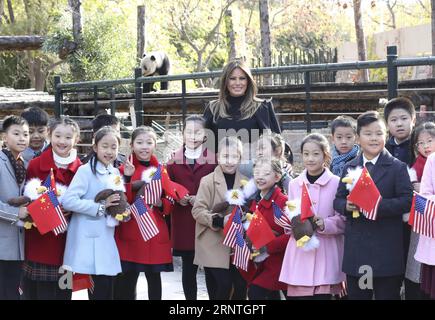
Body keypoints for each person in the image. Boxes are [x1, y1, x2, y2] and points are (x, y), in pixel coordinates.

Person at [334, 111, 413, 300]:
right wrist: (347, 205)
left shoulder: (397, 167)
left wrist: (376, 206)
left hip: (387, 251)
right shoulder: (349, 167)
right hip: (358, 250)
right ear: (358, 138)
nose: (374, 138)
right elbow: (338, 200)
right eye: (368, 134)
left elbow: (407, 201)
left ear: (386, 135)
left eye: (379, 133)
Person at [61, 126, 125, 300]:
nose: (109, 151)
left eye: (114, 147)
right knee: (96, 288)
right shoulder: (85, 171)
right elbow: (68, 201)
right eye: (105, 146)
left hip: (106, 235)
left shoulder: (115, 172)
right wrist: (99, 207)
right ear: (95, 147)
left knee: (106, 287)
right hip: (86, 238)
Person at [21, 117, 82, 300]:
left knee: (65, 293)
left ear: (76, 139)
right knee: (39, 294)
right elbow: (26, 200)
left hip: (69, 245)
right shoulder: (34, 165)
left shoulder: (82, 169)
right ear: (50, 135)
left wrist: (73, 208)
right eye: (57, 135)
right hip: (40, 242)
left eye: (68, 137)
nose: (62, 141)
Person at [280, 133, 345, 300]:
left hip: (327, 252)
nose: (310, 158)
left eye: (316, 154)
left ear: (325, 155)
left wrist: (324, 224)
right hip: (300, 252)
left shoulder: (337, 183)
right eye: (306, 154)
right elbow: (291, 212)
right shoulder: (294, 184)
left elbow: (344, 219)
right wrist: (292, 224)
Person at [114, 126, 173, 300]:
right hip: (130, 229)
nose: (144, 147)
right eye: (139, 142)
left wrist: (161, 203)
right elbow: (119, 198)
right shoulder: (123, 169)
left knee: (154, 277)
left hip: (154, 230)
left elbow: (170, 198)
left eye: (149, 142)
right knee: (127, 277)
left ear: (155, 145)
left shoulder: (161, 170)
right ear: (131, 145)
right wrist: (127, 178)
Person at [166, 116, 216, 300]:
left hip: (207, 221)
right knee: (188, 269)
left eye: (198, 132)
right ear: (182, 134)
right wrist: (177, 198)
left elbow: (218, 188)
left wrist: (202, 199)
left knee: (211, 270)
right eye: (189, 132)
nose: (193, 136)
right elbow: (166, 187)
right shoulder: (172, 161)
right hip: (184, 221)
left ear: (205, 135)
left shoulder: (214, 159)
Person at [192, 136, 248, 300]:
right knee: (223, 286)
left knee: (241, 286)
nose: (229, 161)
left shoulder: (245, 182)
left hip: (236, 244)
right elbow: (197, 210)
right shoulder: (207, 181)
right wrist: (218, 220)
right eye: (225, 156)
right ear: (218, 157)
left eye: (234, 157)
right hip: (212, 241)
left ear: (239, 158)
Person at [203, 59, 281, 155]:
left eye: (242, 78)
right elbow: (203, 144)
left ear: (248, 81)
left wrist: (286, 164)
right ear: (225, 81)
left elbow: (277, 144)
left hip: (254, 167)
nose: (237, 83)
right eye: (232, 78)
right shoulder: (213, 108)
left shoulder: (263, 107)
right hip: (222, 166)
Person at [384, 97, 416, 297]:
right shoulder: (383, 148)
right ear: (387, 124)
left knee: (415, 267)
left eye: (404, 118)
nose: (399, 123)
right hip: (392, 214)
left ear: (413, 120)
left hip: (418, 217)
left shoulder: (421, 144)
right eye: (394, 120)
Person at [246, 157, 289, 300]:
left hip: (280, 262)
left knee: (255, 293)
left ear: (277, 177)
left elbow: (291, 234)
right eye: (257, 173)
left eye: (266, 173)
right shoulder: (255, 201)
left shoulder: (283, 201)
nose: (260, 177)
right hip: (262, 262)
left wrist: (268, 245)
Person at [0, 116, 29, 300]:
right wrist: (15, 213)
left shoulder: (24, 164)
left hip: (20, 246)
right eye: (16, 133)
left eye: (25, 134)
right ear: (4, 137)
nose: (22, 138)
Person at [405, 122, 435, 300]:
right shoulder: (431, 161)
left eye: (429, 141)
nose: (426, 146)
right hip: (431, 227)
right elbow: (423, 196)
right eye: (421, 143)